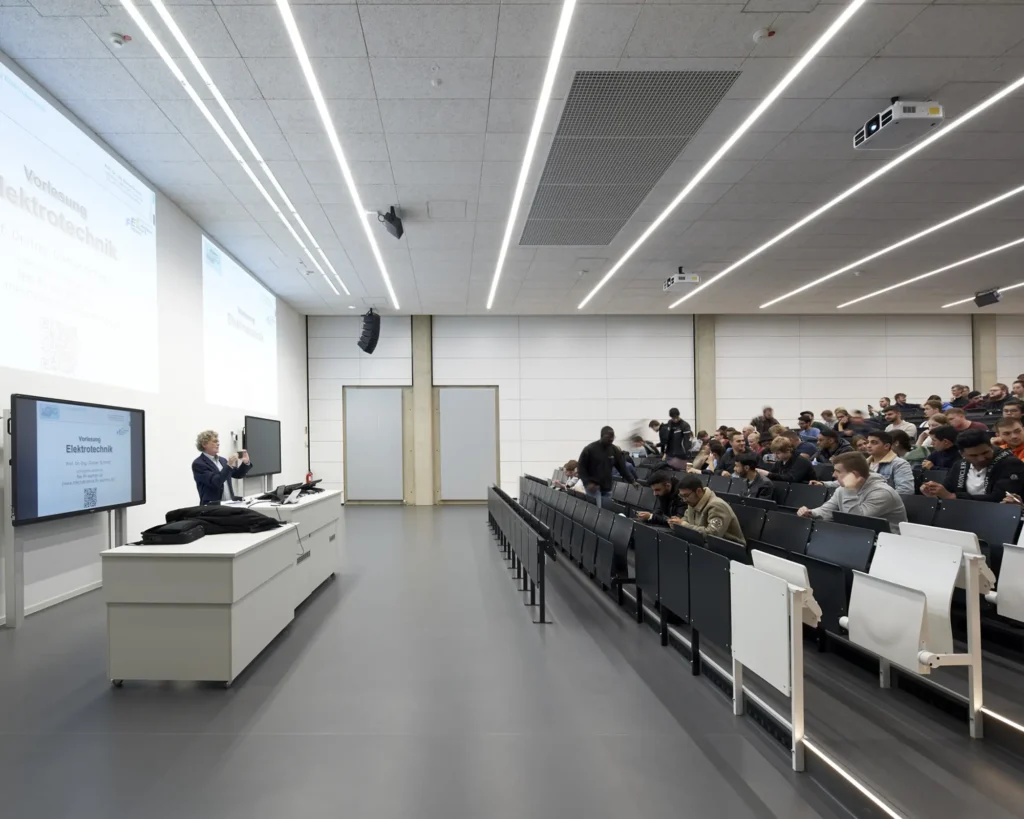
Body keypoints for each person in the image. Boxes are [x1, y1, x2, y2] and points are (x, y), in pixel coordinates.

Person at [798, 452, 908, 533]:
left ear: (854, 474)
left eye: (838, 471)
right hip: (862, 537)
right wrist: (811, 513)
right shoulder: (842, 489)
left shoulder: (882, 493)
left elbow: (855, 520)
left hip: (887, 544)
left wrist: (850, 490)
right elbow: (827, 510)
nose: (833, 475)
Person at [922, 429, 1024, 503]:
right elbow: (947, 491)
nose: (981, 458)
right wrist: (933, 493)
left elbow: (1000, 498)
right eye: (973, 455)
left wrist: (954, 497)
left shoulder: (1010, 463)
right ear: (962, 454)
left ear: (991, 447)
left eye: (985, 452)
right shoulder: (959, 465)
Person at [668, 474, 746, 545]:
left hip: (730, 548)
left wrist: (683, 525)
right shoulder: (693, 502)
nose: (684, 500)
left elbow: (712, 535)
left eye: (686, 496)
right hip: (705, 544)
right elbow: (686, 518)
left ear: (698, 491)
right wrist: (677, 524)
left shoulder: (717, 506)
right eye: (681, 496)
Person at [577, 426, 634, 508]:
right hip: (593, 487)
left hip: (607, 486)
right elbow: (581, 467)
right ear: (602, 436)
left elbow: (621, 467)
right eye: (608, 437)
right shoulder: (589, 449)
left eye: (613, 437)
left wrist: (632, 480)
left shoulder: (614, 450)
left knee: (606, 512)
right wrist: (587, 483)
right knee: (596, 511)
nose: (611, 439)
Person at [193, 430, 252, 504]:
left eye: (218, 441)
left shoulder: (222, 460)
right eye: (215, 441)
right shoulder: (199, 464)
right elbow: (216, 481)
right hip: (212, 508)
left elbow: (238, 474)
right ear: (204, 444)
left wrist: (246, 463)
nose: (218, 444)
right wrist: (229, 464)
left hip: (229, 504)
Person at [864, 430, 915, 494]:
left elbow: (905, 490)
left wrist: (878, 500)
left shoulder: (900, 464)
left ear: (886, 446)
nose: (868, 446)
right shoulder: (863, 464)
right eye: (868, 442)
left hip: (886, 502)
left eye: (874, 442)